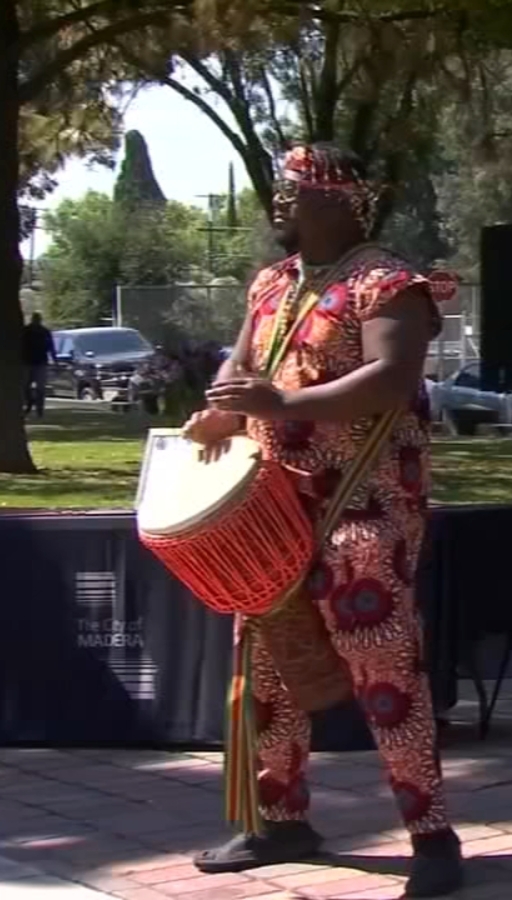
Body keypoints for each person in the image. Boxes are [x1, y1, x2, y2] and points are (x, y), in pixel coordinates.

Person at [180, 142, 462, 896]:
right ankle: (279, 818)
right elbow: (239, 371)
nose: (280, 200)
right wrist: (220, 408)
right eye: (280, 187)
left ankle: (432, 839)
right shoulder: (272, 282)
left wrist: (286, 405)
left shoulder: (389, 283)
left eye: (296, 188)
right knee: (267, 665)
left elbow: (393, 378)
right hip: (272, 504)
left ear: (342, 201)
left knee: (384, 669)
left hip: (362, 503)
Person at [21, 312, 55, 417]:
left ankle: (39, 409)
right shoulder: (26, 331)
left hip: (39, 362)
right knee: (25, 386)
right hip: (28, 362)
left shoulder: (44, 332)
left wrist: (54, 358)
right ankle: (30, 403)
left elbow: (50, 346)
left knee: (40, 388)